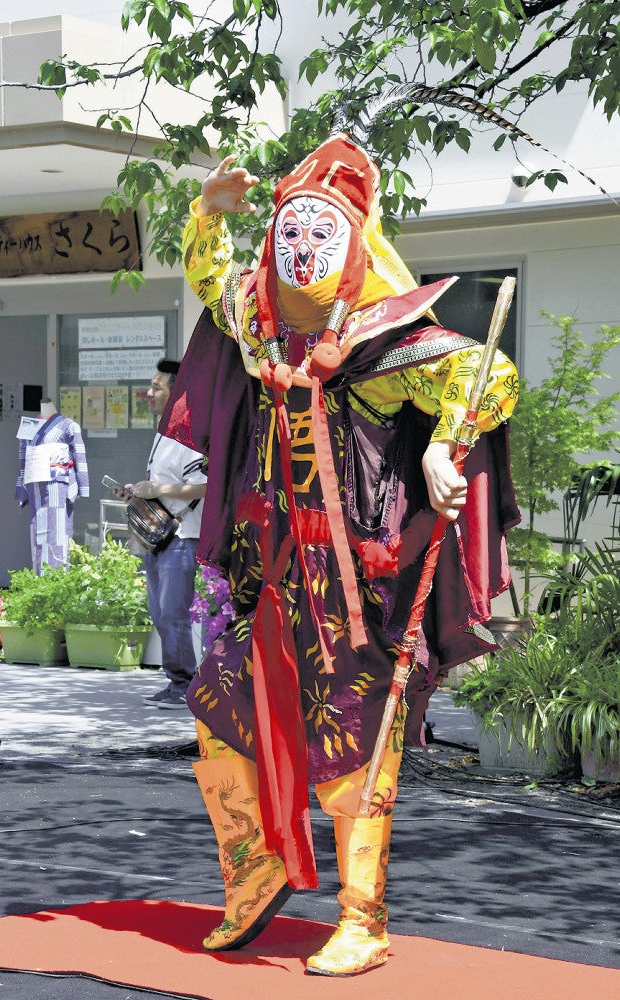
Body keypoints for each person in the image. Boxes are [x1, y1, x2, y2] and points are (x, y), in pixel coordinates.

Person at [165, 132, 520, 975]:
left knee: (354, 740)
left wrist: (444, 448)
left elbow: (487, 375)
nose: (302, 249)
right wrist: (208, 215)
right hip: (269, 575)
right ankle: (253, 872)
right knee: (218, 708)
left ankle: (364, 918)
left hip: (354, 586)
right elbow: (213, 279)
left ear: (355, 246)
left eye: (321, 234)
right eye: (289, 230)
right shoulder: (258, 325)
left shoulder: (380, 341)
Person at [128, 359, 207, 709]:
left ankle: (186, 685)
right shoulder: (163, 433)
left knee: (173, 613)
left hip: (182, 537)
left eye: (157, 387)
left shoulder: (189, 434)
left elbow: (203, 486)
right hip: (159, 537)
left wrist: (155, 488)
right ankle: (177, 680)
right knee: (160, 613)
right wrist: (138, 491)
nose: (149, 393)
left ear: (176, 392)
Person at [15, 398, 89, 573]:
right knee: (37, 532)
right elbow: (23, 458)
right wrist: (22, 485)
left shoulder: (69, 426)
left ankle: (58, 579)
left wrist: (82, 484)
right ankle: (39, 578)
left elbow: (79, 454)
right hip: (35, 485)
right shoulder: (29, 426)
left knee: (59, 532)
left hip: (58, 485)